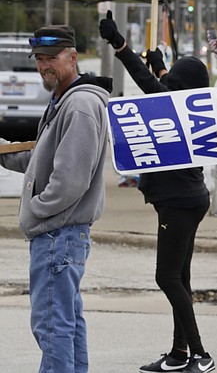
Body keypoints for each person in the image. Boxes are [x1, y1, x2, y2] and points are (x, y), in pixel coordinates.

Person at [98, 11, 216, 373]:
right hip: (190, 198)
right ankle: (179, 354)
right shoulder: (194, 108)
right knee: (180, 277)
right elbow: (163, 84)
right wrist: (163, 67)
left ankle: (201, 354)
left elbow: (148, 84)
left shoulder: (171, 107)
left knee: (166, 277)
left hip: (178, 203)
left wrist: (119, 44)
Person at [0, 25, 111, 373]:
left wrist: (36, 212)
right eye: (40, 59)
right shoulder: (65, 98)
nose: (45, 65)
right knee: (66, 323)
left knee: (52, 327)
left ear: (73, 56)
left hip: (56, 233)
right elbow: (43, 162)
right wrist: (3, 153)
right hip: (62, 233)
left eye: (53, 58)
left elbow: (68, 180)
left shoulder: (78, 104)